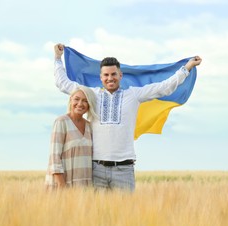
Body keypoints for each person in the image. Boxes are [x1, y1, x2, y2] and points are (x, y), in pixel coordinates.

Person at [53, 43, 202, 192]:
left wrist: (187, 68)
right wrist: (58, 58)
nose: (110, 78)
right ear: (100, 77)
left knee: (124, 214)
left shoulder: (134, 94)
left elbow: (164, 87)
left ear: (120, 75)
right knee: (98, 214)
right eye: (106, 75)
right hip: (96, 169)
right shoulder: (92, 94)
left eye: (113, 74)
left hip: (124, 170)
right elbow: (63, 84)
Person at [45, 85, 98, 189]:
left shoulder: (89, 126)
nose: (80, 104)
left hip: (83, 185)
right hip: (63, 183)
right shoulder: (61, 122)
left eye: (85, 101)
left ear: (89, 104)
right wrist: (61, 185)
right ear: (71, 100)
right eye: (77, 99)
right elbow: (54, 157)